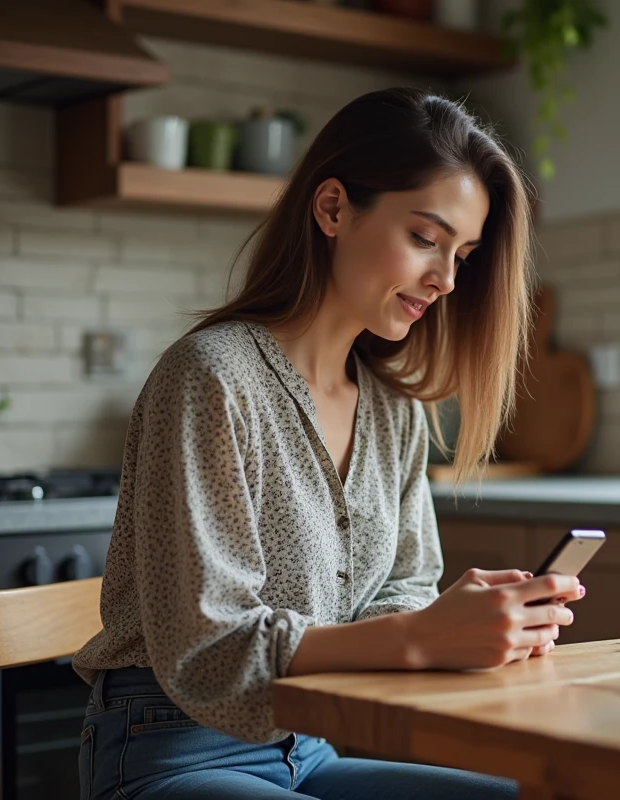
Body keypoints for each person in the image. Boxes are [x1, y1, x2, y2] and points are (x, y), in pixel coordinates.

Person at [71, 87, 584, 800]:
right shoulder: (211, 378)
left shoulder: (396, 412)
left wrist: (459, 626)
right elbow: (207, 651)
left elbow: (399, 592)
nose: (446, 279)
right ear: (334, 208)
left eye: (462, 254)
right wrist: (423, 638)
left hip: (308, 750)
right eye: (425, 238)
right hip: (171, 752)